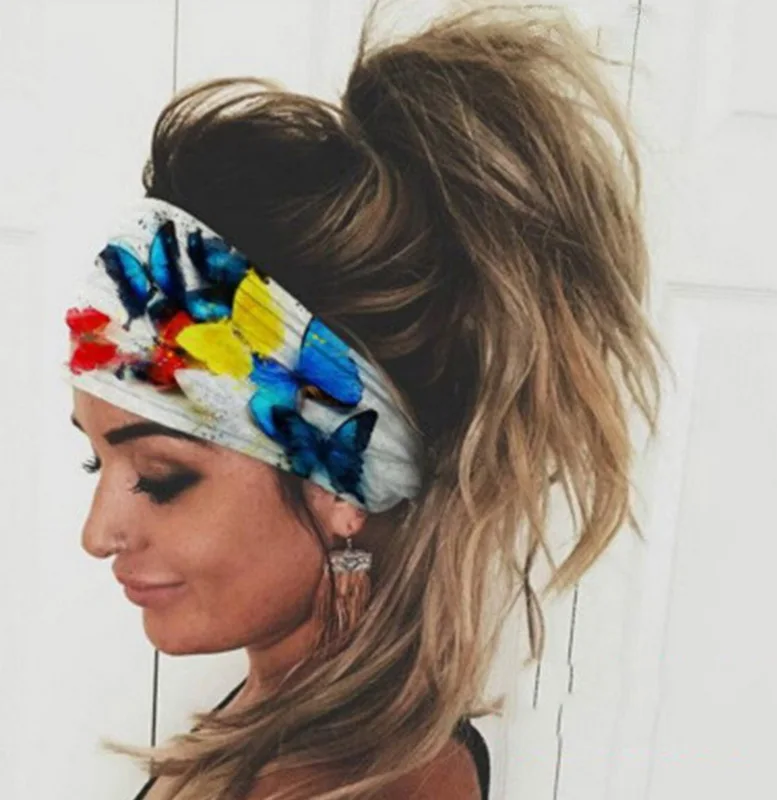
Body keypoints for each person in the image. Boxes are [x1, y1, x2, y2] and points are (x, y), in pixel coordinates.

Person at [63, 2, 670, 798]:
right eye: (95, 460)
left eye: (160, 476)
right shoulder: (300, 715)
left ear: (341, 481)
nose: (96, 535)